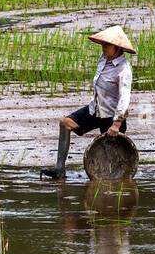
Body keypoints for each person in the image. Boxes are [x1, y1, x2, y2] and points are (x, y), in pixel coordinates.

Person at [42, 25, 135, 179]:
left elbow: (124, 99)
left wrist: (116, 124)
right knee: (66, 123)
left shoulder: (124, 70)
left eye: (107, 45)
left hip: (112, 117)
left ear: (118, 48)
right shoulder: (103, 60)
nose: (103, 48)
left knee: (109, 161)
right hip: (95, 110)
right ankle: (59, 169)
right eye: (103, 44)